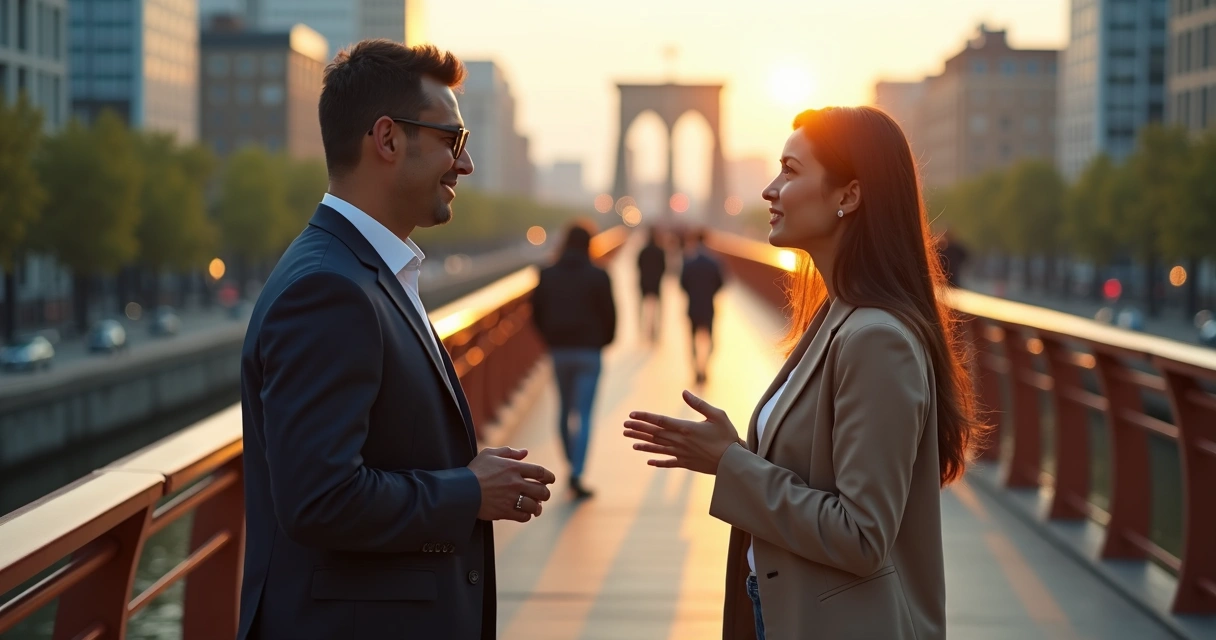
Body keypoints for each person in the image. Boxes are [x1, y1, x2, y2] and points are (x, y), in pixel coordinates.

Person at [623, 106, 983, 640]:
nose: (769, 190)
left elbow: (862, 536)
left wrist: (730, 464)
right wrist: (734, 458)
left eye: (790, 171)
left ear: (848, 196)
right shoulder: (838, 316)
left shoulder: (876, 340)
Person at [238, 41, 556, 640]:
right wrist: (468, 490)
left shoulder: (359, 270)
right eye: (452, 142)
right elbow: (320, 499)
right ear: (386, 140)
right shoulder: (329, 290)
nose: (465, 166)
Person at [530, 221, 617, 499]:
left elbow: (536, 312)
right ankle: (577, 473)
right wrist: (603, 342)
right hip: (589, 352)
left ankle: (569, 462)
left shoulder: (547, 273)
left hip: (560, 351)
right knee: (585, 415)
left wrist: (550, 339)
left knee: (564, 411)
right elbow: (611, 315)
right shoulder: (599, 275)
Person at [680, 229, 724, 384]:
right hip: (708, 305)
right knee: (710, 339)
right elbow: (721, 283)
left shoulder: (689, 261)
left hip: (693, 305)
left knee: (692, 339)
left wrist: (692, 292)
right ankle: (704, 366)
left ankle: (696, 368)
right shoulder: (714, 262)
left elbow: (682, 283)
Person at [637, 227, 667, 342]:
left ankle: (643, 327)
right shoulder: (660, 251)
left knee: (643, 306)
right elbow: (664, 267)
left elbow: (638, 265)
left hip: (644, 281)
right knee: (657, 307)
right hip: (656, 282)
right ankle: (654, 328)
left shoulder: (643, 251)